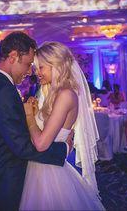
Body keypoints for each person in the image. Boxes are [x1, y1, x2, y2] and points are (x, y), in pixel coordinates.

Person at [0, 32, 72, 211]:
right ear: (13, 56)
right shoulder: (4, 91)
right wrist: (63, 148)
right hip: (5, 182)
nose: (30, 72)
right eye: (28, 65)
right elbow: (21, 147)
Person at [20, 41, 104, 210]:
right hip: (41, 166)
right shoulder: (53, 93)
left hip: (50, 172)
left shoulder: (66, 94)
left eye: (41, 67)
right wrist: (36, 113)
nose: (36, 73)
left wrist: (29, 116)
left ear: (56, 66)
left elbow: (41, 143)